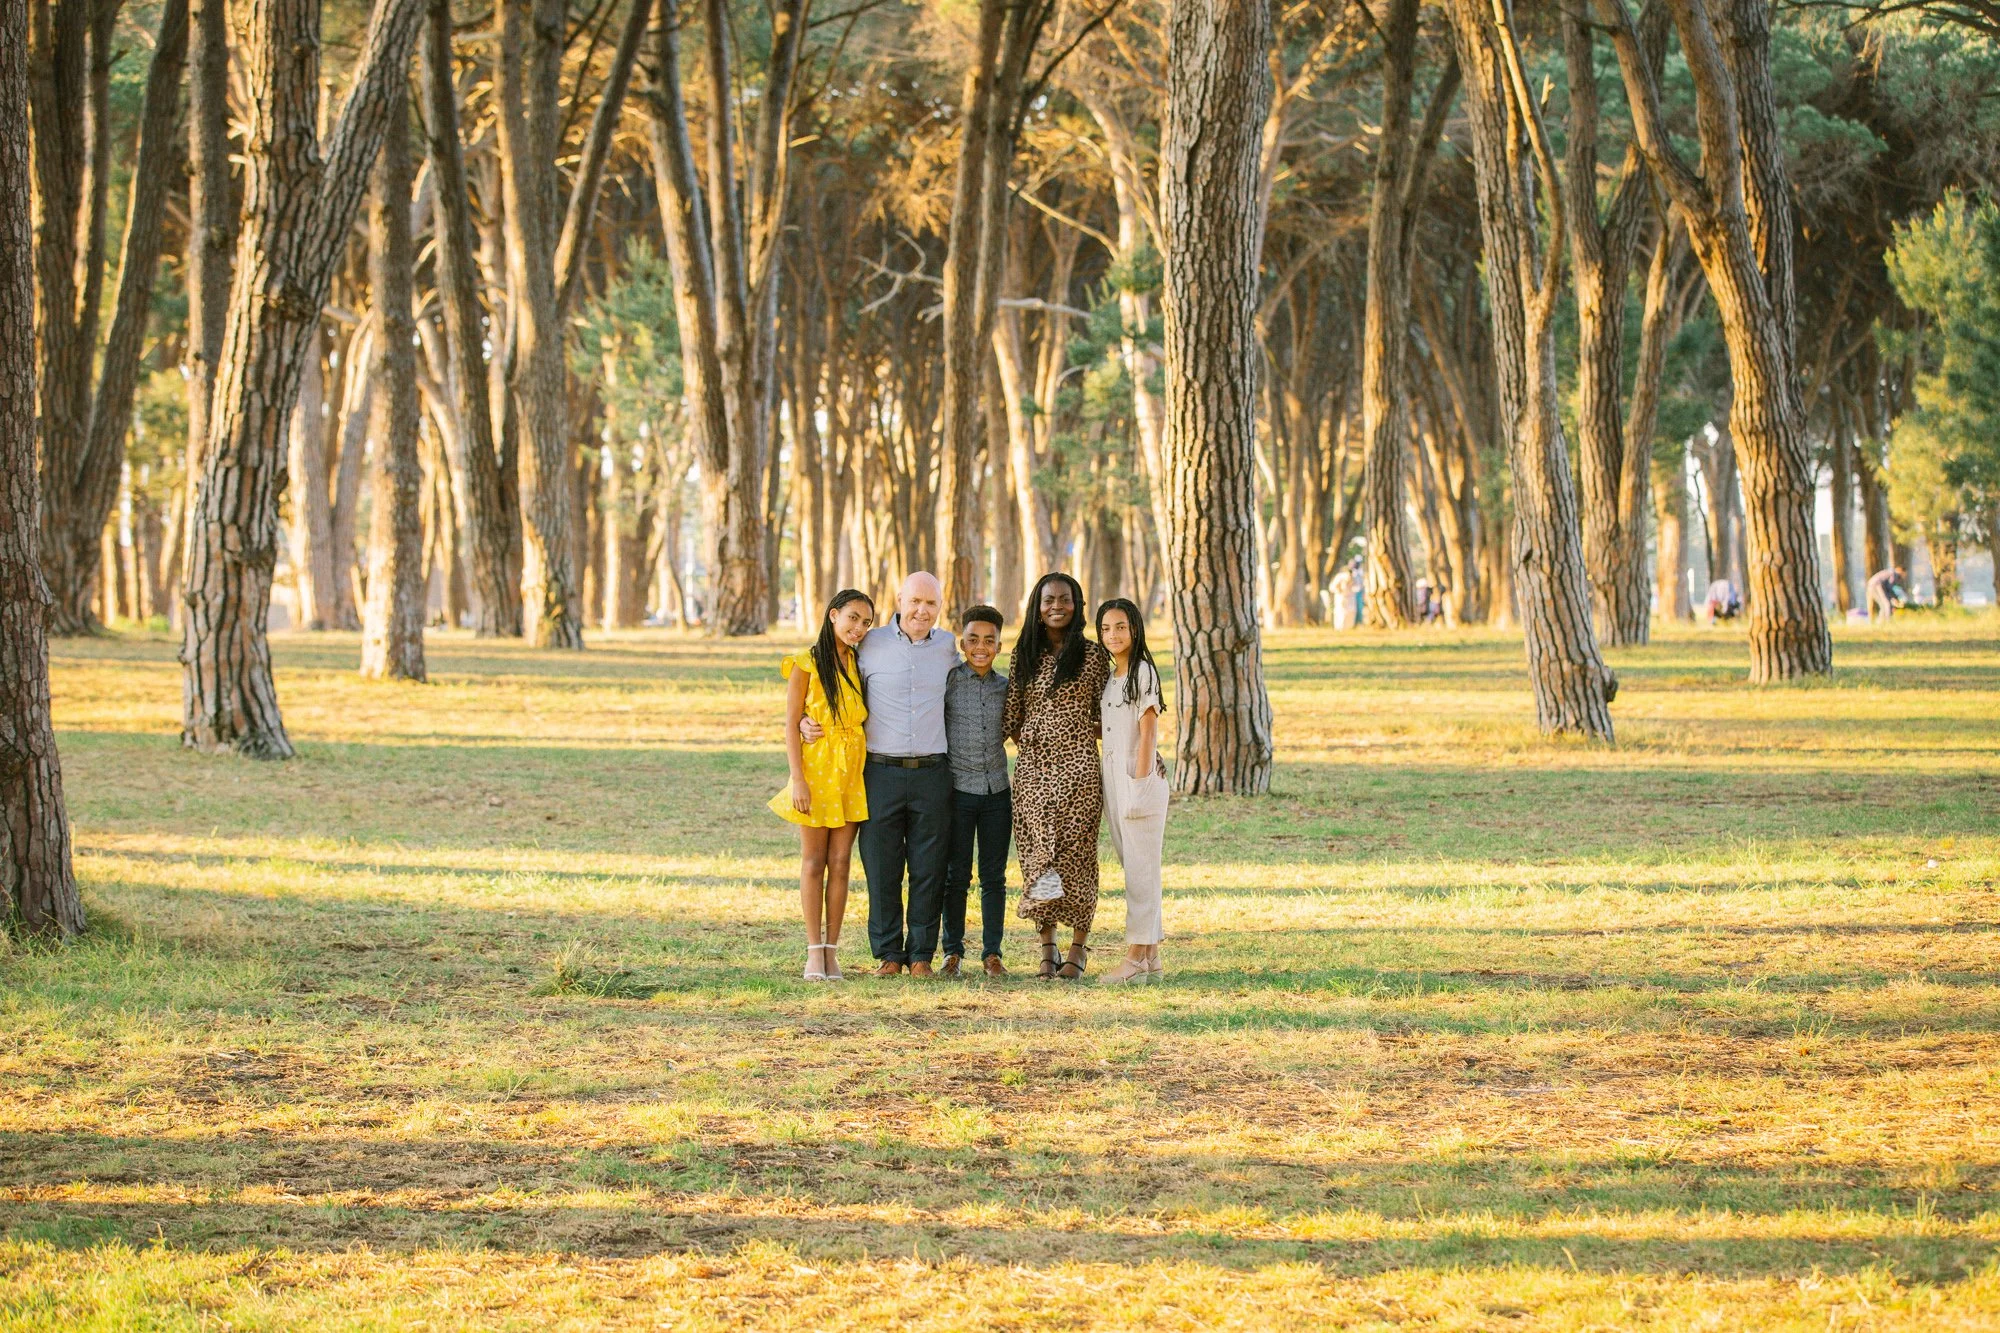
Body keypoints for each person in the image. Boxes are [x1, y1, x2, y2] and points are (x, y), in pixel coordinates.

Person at [804, 573, 959, 977]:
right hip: (879, 772)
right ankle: (890, 953)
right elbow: (828, 686)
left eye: (931, 604)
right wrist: (806, 720)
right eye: (915, 602)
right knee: (881, 864)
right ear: (900, 599)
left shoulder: (947, 647)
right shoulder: (868, 644)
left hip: (932, 771)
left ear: (940, 607)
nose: (922, 611)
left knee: (928, 868)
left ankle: (921, 954)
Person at [1006, 572, 1113, 981]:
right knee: (1040, 861)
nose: (1056, 607)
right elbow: (1013, 713)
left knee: (1079, 859)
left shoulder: (1091, 656)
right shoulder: (1024, 655)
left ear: (1077, 604)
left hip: (1082, 773)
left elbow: (1109, 715)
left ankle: (1078, 949)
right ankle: (1047, 947)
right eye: (1048, 600)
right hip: (1033, 776)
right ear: (1037, 605)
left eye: (1064, 600)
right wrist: (1036, 742)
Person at [768, 589, 876, 981]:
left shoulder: (860, 662)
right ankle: (814, 951)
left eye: (866, 622)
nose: (858, 628)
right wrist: (798, 779)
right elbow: (790, 722)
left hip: (851, 775)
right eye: (852, 617)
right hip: (815, 773)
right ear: (833, 615)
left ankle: (833, 951)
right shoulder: (807, 663)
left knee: (842, 863)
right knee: (814, 862)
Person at [1094, 598, 1168, 985]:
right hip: (1114, 781)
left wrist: (1139, 784)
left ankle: (1135, 957)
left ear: (1134, 629)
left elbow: (1149, 728)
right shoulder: (1113, 676)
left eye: (1120, 627)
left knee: (1141, 873)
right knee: (1138, 869)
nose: (1113, 635)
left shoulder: (1141, 671)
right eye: (1106, 628)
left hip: (1136, 781)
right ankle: (1152, 957)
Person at [941, 606, 1011, 978]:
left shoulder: (1007, 687)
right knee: (956, 876)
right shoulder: (949, 682)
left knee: (994, 876)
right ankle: (952, 951)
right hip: (958, 792)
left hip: (997, 792)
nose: (980, 647)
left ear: (998, 646)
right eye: (973, 640)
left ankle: (992, 952)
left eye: (988, 640)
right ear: (962, 642)